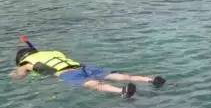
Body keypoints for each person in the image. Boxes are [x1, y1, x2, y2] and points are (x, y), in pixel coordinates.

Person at [11, 44, 165, 99]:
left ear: (22, 58)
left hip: (67, 73)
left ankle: (122, 91)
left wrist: (15, 74)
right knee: (117, 75)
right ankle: (150, 80)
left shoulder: (26, 62)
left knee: (94, 85)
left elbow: (20, 74)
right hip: (83, 66)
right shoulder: (51, 52)